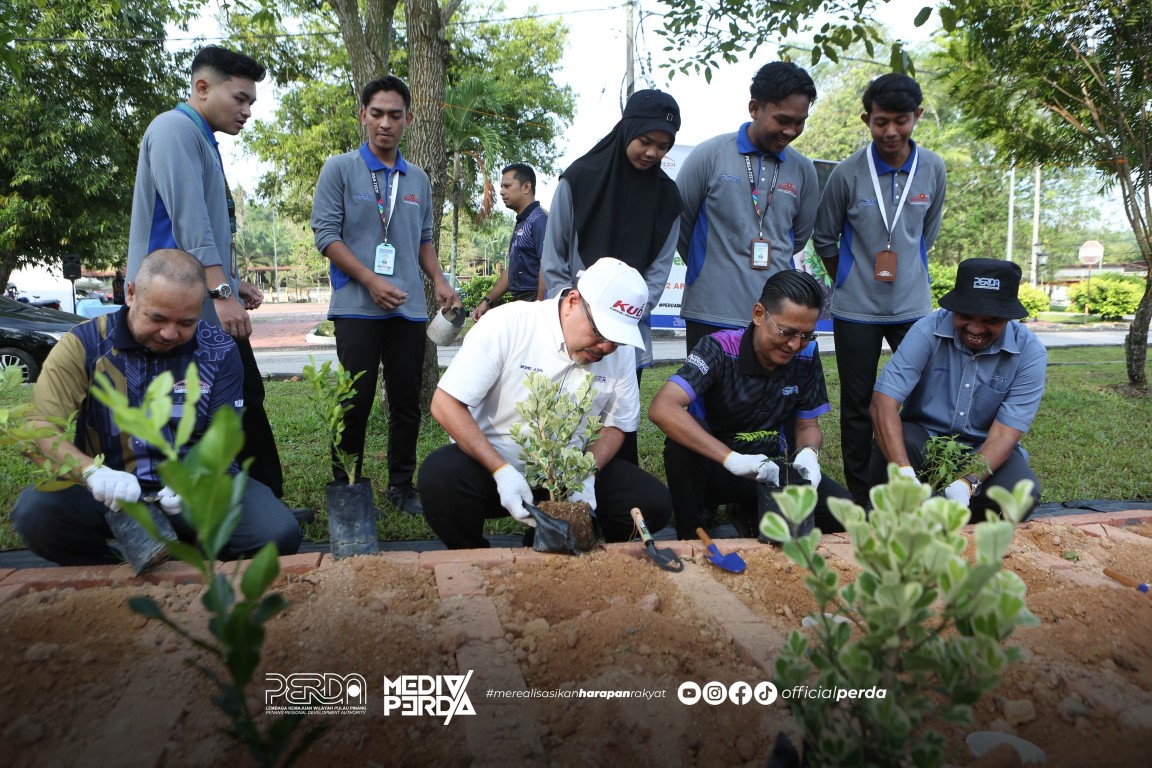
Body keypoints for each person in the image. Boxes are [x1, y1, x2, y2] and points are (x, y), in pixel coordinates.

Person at [12, 249, 303, 565]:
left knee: (277, 532)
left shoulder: (219, 349)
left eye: (186, 322)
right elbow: (40, 425)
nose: (170, 333)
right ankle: (114, 566)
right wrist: (91, 472)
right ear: (132, 293)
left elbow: (223, 435)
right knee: (36, 513)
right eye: (158, 318)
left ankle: (189, 561)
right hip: (109, 490)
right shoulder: (84, 345)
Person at [419, 258, 674, 549]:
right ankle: (475, 560)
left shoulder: (619, 354)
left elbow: (617, 425)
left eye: (617, 339)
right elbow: (445, 403)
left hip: (568, 474)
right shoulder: (509, 324)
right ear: (573, 302)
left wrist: (586, 473)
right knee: (440, 478)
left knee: (652, 503)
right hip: (494, 467)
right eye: (600, 332)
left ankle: (550, 542)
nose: (607, 347)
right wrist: (500, 470)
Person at [126, 45, 285, 499]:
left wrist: (233, 282)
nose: (248, 111)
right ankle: (242, 500)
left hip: (201, 297)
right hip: (174, 306)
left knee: (241, 397)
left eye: (251, 101)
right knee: (200, 402)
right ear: (202, 87)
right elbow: (189, 221)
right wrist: (221, 292)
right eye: (240, 98)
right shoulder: (174, 129)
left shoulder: (200, 137)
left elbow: (207, 226)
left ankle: (258, 497)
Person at [310, 75, 459, 516]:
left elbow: (424, 239)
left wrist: (439, 280)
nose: (385, 123)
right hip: (357, 308)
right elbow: (326, 236)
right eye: (377, 113)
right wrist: (370, 281)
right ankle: (348, 484)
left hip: (409, 310)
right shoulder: (339, 169)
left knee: (406, 402)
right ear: (363, 115)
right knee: (354, 400)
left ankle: (401, 486)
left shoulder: (418, 179)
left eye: (395, 115)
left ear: (409, 119)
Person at [813, 73, 947, 505]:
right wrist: (847, 279)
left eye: (902, 121)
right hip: (856, 311)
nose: (891, 131)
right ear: (866, 119)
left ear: (917, 117)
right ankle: (863, 493)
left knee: (921, 399)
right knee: (856, 405)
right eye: (881, 121)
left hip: (913, 308)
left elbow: (927, 234)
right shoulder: (849, 173)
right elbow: (824, 237)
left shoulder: (933, 168)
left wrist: (905, 268)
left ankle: (912, 480)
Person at [649, 270, 850, 540]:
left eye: (806, 335)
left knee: (851, 514)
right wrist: (731, 459)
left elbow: (808, 424)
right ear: (758, 314)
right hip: (715, 468)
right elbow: (662, 407)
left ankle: (749, 512)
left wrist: (809, 452)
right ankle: (690, 533)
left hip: (770, 471)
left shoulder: (807, 354)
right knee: (681, 446)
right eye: (786, 332)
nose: (794, 345)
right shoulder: (718, 348)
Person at [540, 88, 683, 464]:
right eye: (645, 140)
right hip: (571, 325)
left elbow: (659, 270)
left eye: (664, 145)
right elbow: (554, 259)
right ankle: (554, 503)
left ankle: (617, 507)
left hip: (626, 332)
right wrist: (576, 319)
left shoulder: (668, 198)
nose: (653, 152)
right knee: (558, 421)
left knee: (616, 423)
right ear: (626, 130)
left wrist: (624, 315)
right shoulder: (579, 179)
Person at [869, 258, 1046, 518]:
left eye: (990, 320)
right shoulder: (926, 331)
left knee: (1023, 493)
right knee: (897, 441)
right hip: (923, 442)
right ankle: (898, 511)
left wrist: (967, 483)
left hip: (983, 448)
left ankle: (961, 526)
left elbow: (1004, 435)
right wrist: (904, 472)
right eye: (965, 316)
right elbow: (882, 404)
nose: (975, 328)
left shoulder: (1030, 352)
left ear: (1008, 317)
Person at [677, 61, 821, 356]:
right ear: (755, 108)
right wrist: (708, 267)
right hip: (711, 309)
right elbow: (681, 225)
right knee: (706, 400)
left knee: (767, 400)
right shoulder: (710, 155)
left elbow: (797, 237)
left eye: (800, 122)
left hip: (776, 318)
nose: (791, 130)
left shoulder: (804, 170)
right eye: (782, 119)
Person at [471, 164, 547, 321]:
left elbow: (546, 267)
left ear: (526, 187)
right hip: (521, 304)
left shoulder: (539, 221)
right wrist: (487, 301)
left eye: (507, 186)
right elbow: (513, 268)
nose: (501, 192)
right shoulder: (522, 222)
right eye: (501, 186)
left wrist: (539, 312)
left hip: (533, 306)